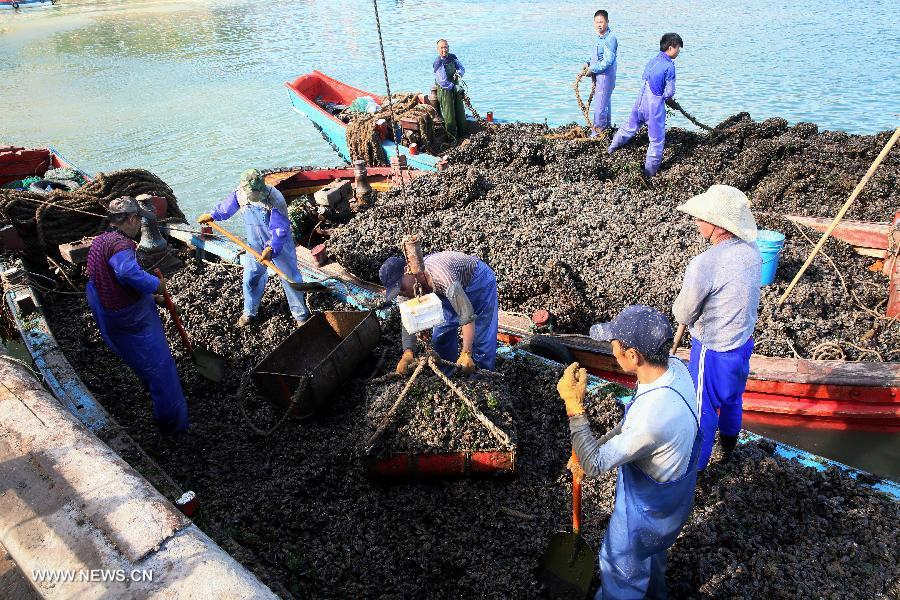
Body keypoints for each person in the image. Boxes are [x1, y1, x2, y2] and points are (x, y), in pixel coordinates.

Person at [559, 305, 699, 599]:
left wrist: (574, 407)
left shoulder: (652, 418)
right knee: (653, 554)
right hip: (673, 500)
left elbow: (595, 464)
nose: (612, 351)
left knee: (621, 566)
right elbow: (630, 428)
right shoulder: (675, 369)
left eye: (615, 346)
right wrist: (598, 443)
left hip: (644, 511)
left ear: (633, 356)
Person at [672, 184, 761, 471]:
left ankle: (694, 470)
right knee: (733, 397)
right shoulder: (752, 252)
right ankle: (730, 448)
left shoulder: (705, 263)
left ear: (718, 225)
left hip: (713, 348)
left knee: (702, 409)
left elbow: (685, 311)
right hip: (743, 341)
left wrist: (681, 310)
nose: (696, 223)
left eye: (700, 218)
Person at [86, 196, 188, 434]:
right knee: (161, 368)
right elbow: (127, 272)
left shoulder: (99, 242)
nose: (139, 226)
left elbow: (113, 281)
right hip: (129, 318)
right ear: (131, 219)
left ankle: (148, 384)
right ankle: (172, 423)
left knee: (137, 359)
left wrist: (151, 299)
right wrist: (156, 286)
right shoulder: (122, 246)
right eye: (138, 221)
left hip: (106, 309)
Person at [199, 169, 310, 328]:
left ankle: (301, 315)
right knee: (250, 279)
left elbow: (280, 229)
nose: (254, 195)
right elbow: (227, 207)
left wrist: (271, 248)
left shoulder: (275, 198)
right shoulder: (240, 193)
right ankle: (250, 312)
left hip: (279, 244)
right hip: (254, 245)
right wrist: (213, 215)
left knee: (289, 278)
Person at [380, 251, 498, 374]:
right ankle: (447, 372)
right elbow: (408, 321)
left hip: (476, 279)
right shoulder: (403, 292)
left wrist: (466, 352)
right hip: (444, 291)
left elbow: (466, 314)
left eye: (401, 288)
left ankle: (482, 376)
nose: (401, 292)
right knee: (441, 337)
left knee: (482, 333)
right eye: (397, 291)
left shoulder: (440, 276)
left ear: (407, 270)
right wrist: (408, 353)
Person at [607, 33, 683, 177]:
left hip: (641, 100)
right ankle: (649, 172)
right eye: (678, 48)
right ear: (671, 47)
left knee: (629, 127)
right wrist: (669, 100)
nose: (679, 52)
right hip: (654, 106)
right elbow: (669, 92)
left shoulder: (653, 60)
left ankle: (611, 148)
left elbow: (645, 77)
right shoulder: (669, 66)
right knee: (656, 140)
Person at [584, 9, 617, 133]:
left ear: (607, 22)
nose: (599, 25)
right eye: (597, 22)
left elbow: (608, 61)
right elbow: (596, 56)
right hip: (599, 74)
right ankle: (606, 129)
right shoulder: (599, 37)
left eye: (601, 22)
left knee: (600, 106)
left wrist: (592, 69)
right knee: (605, 103)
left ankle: (598, 133)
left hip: (606, 75)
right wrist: (587, 63)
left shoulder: (610, 38)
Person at [433, 39, 467, 142]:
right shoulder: (438, 62)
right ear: (438, 49)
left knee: (460, 110)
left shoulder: (453, 57)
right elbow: (442, 81)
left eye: (446, 47)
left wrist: (459, 73)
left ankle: (463, 133)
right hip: (445, 91)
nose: (444, 49)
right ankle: (452, 138)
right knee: (449, 115)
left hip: (455, 87)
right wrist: (454, 87)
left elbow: (461, 68)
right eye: (442, 47)